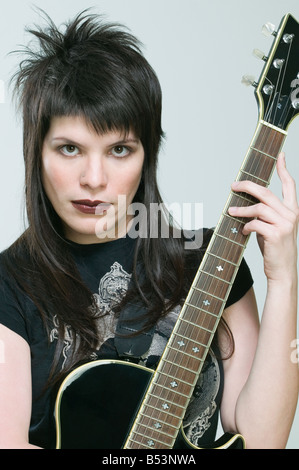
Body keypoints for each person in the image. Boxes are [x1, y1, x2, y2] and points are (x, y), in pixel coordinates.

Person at [0, 10, 298, 450]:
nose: (94, 178)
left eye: (120, 149)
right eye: (69, 149)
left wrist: (284, 279)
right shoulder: (11, 283)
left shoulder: (210, 261)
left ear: (147, 157)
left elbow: (262, 441)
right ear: (36, 153)